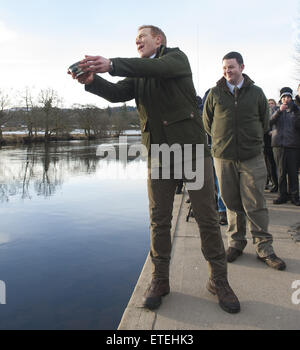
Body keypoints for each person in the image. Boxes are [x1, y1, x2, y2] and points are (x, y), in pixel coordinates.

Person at [68, 25, 240, 313]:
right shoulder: (137, 73)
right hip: (159, 154)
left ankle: (219, 280)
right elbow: (116, 93)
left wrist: (112, 64)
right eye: (135, 39)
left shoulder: (176, 59)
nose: (137, 41)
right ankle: (160, 280)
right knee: (159, 220)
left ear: (158, 40)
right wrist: (92, 80)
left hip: (191, 152)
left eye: (142, 37)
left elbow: (159, 69)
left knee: (207, 218)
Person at [203, 51, 286, 270]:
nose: (227, 71)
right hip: (223, 157)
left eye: (231, 67)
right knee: (231, 203)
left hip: (252, 157)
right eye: (224, 68)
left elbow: (264, 122)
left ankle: (264, 248)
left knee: (255, 203)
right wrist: (223, 141)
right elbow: (207, 123)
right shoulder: (214, 93)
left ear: (241, 67)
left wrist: (251, 140)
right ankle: (236, 243)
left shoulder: (257, 93)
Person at [270, 87, 300, 206]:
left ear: (291, 98)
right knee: (281, 172)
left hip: (293, 145)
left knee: (293, 173)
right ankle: (282, 195)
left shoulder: (296, 110)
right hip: (278, 145)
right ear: (281, 99)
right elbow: (269, 122)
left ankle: (295, 196)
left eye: (288, 97)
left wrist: (296, 111)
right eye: (284, 97)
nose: (286, 99)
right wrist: (279, 112)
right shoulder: (275, 109)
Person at [264, 99, 278, 192]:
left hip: (274, 142)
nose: (270, 105)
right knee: (266, 165)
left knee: (273, 165)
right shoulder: (264, 114)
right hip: (265, 142)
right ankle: (267, 182)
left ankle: (275, 184)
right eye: (268, 104)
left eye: (272, 103)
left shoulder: (278, 113)